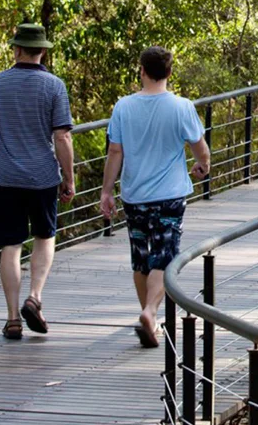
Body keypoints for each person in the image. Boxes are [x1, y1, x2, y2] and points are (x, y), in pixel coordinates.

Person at [100, 46, 210, 348]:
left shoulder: (123, 106)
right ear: (170, 73)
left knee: (141, 258)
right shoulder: (182, 106)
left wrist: (106, 191)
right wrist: (204, 165)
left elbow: (115, 151)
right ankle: (150, 313)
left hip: (134, 194)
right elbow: (199, 146)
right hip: (170, 194)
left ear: (142, 71)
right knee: (164, 254)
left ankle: (150, 319)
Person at [0, 23, 76, 340]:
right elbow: (62, 136)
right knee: (45, 236)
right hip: (43, 176)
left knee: (11, 245)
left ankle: (12, 318)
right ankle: (35, 296)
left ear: (16, 49)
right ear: (42, 50)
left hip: (4, 177)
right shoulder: (54, 86)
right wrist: (68, 177)